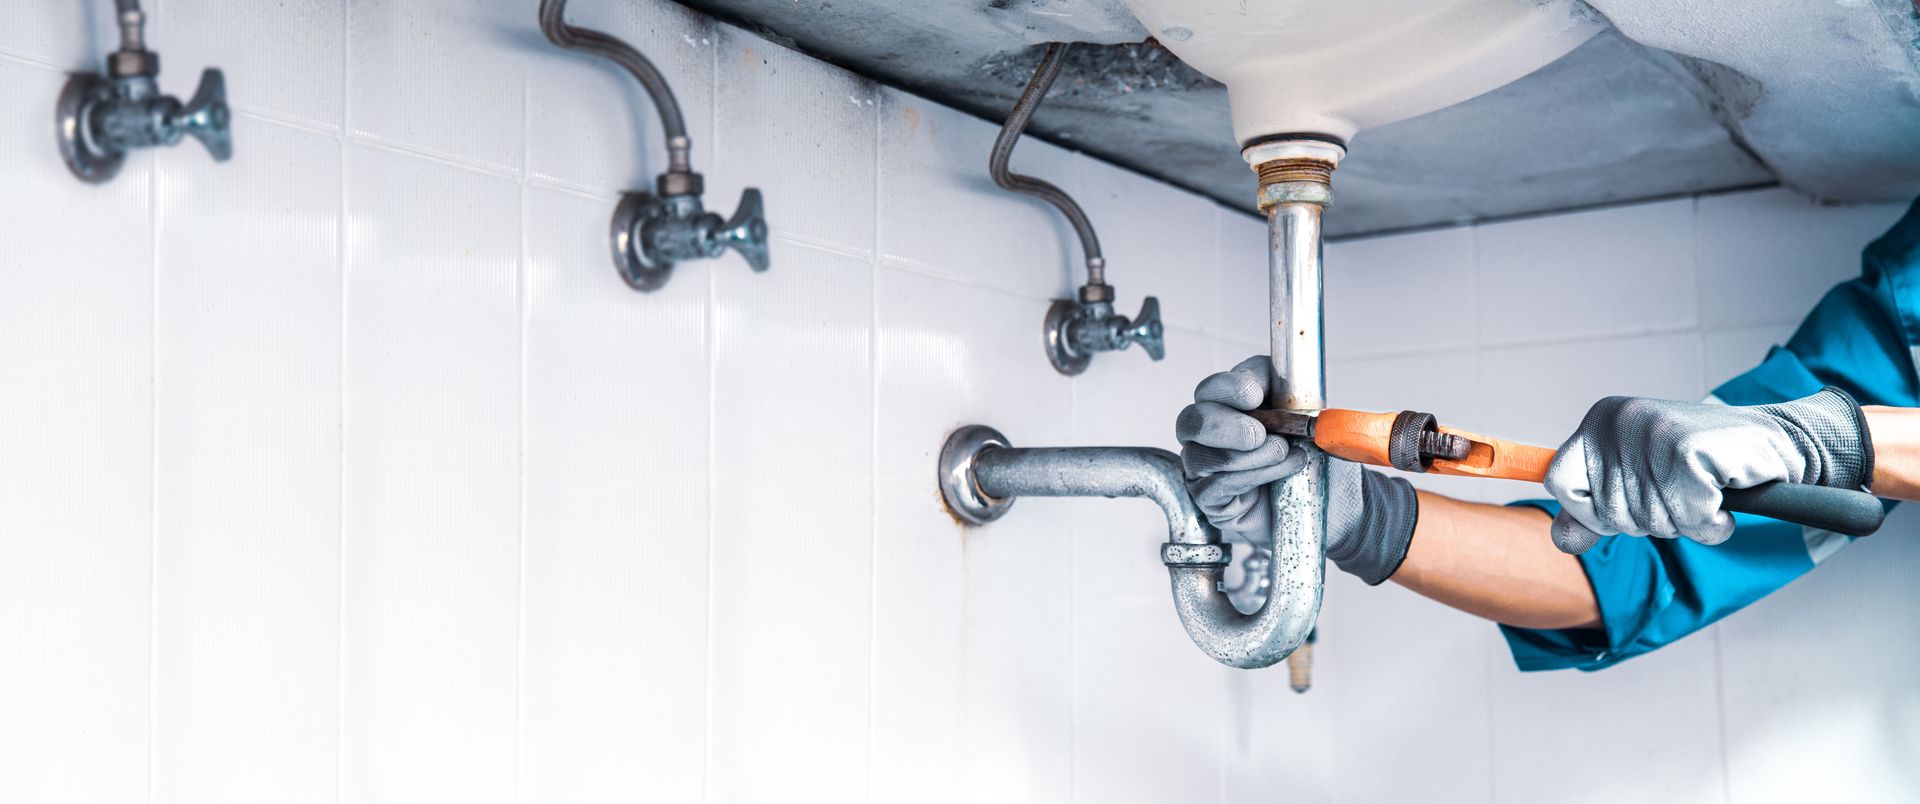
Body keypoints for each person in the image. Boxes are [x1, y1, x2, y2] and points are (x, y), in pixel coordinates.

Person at [1176, 198, 1920, 671]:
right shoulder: (1903, 300)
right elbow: (1634, 569)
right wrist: (1356, 517)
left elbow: (1832, 443)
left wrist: (1840, 443)